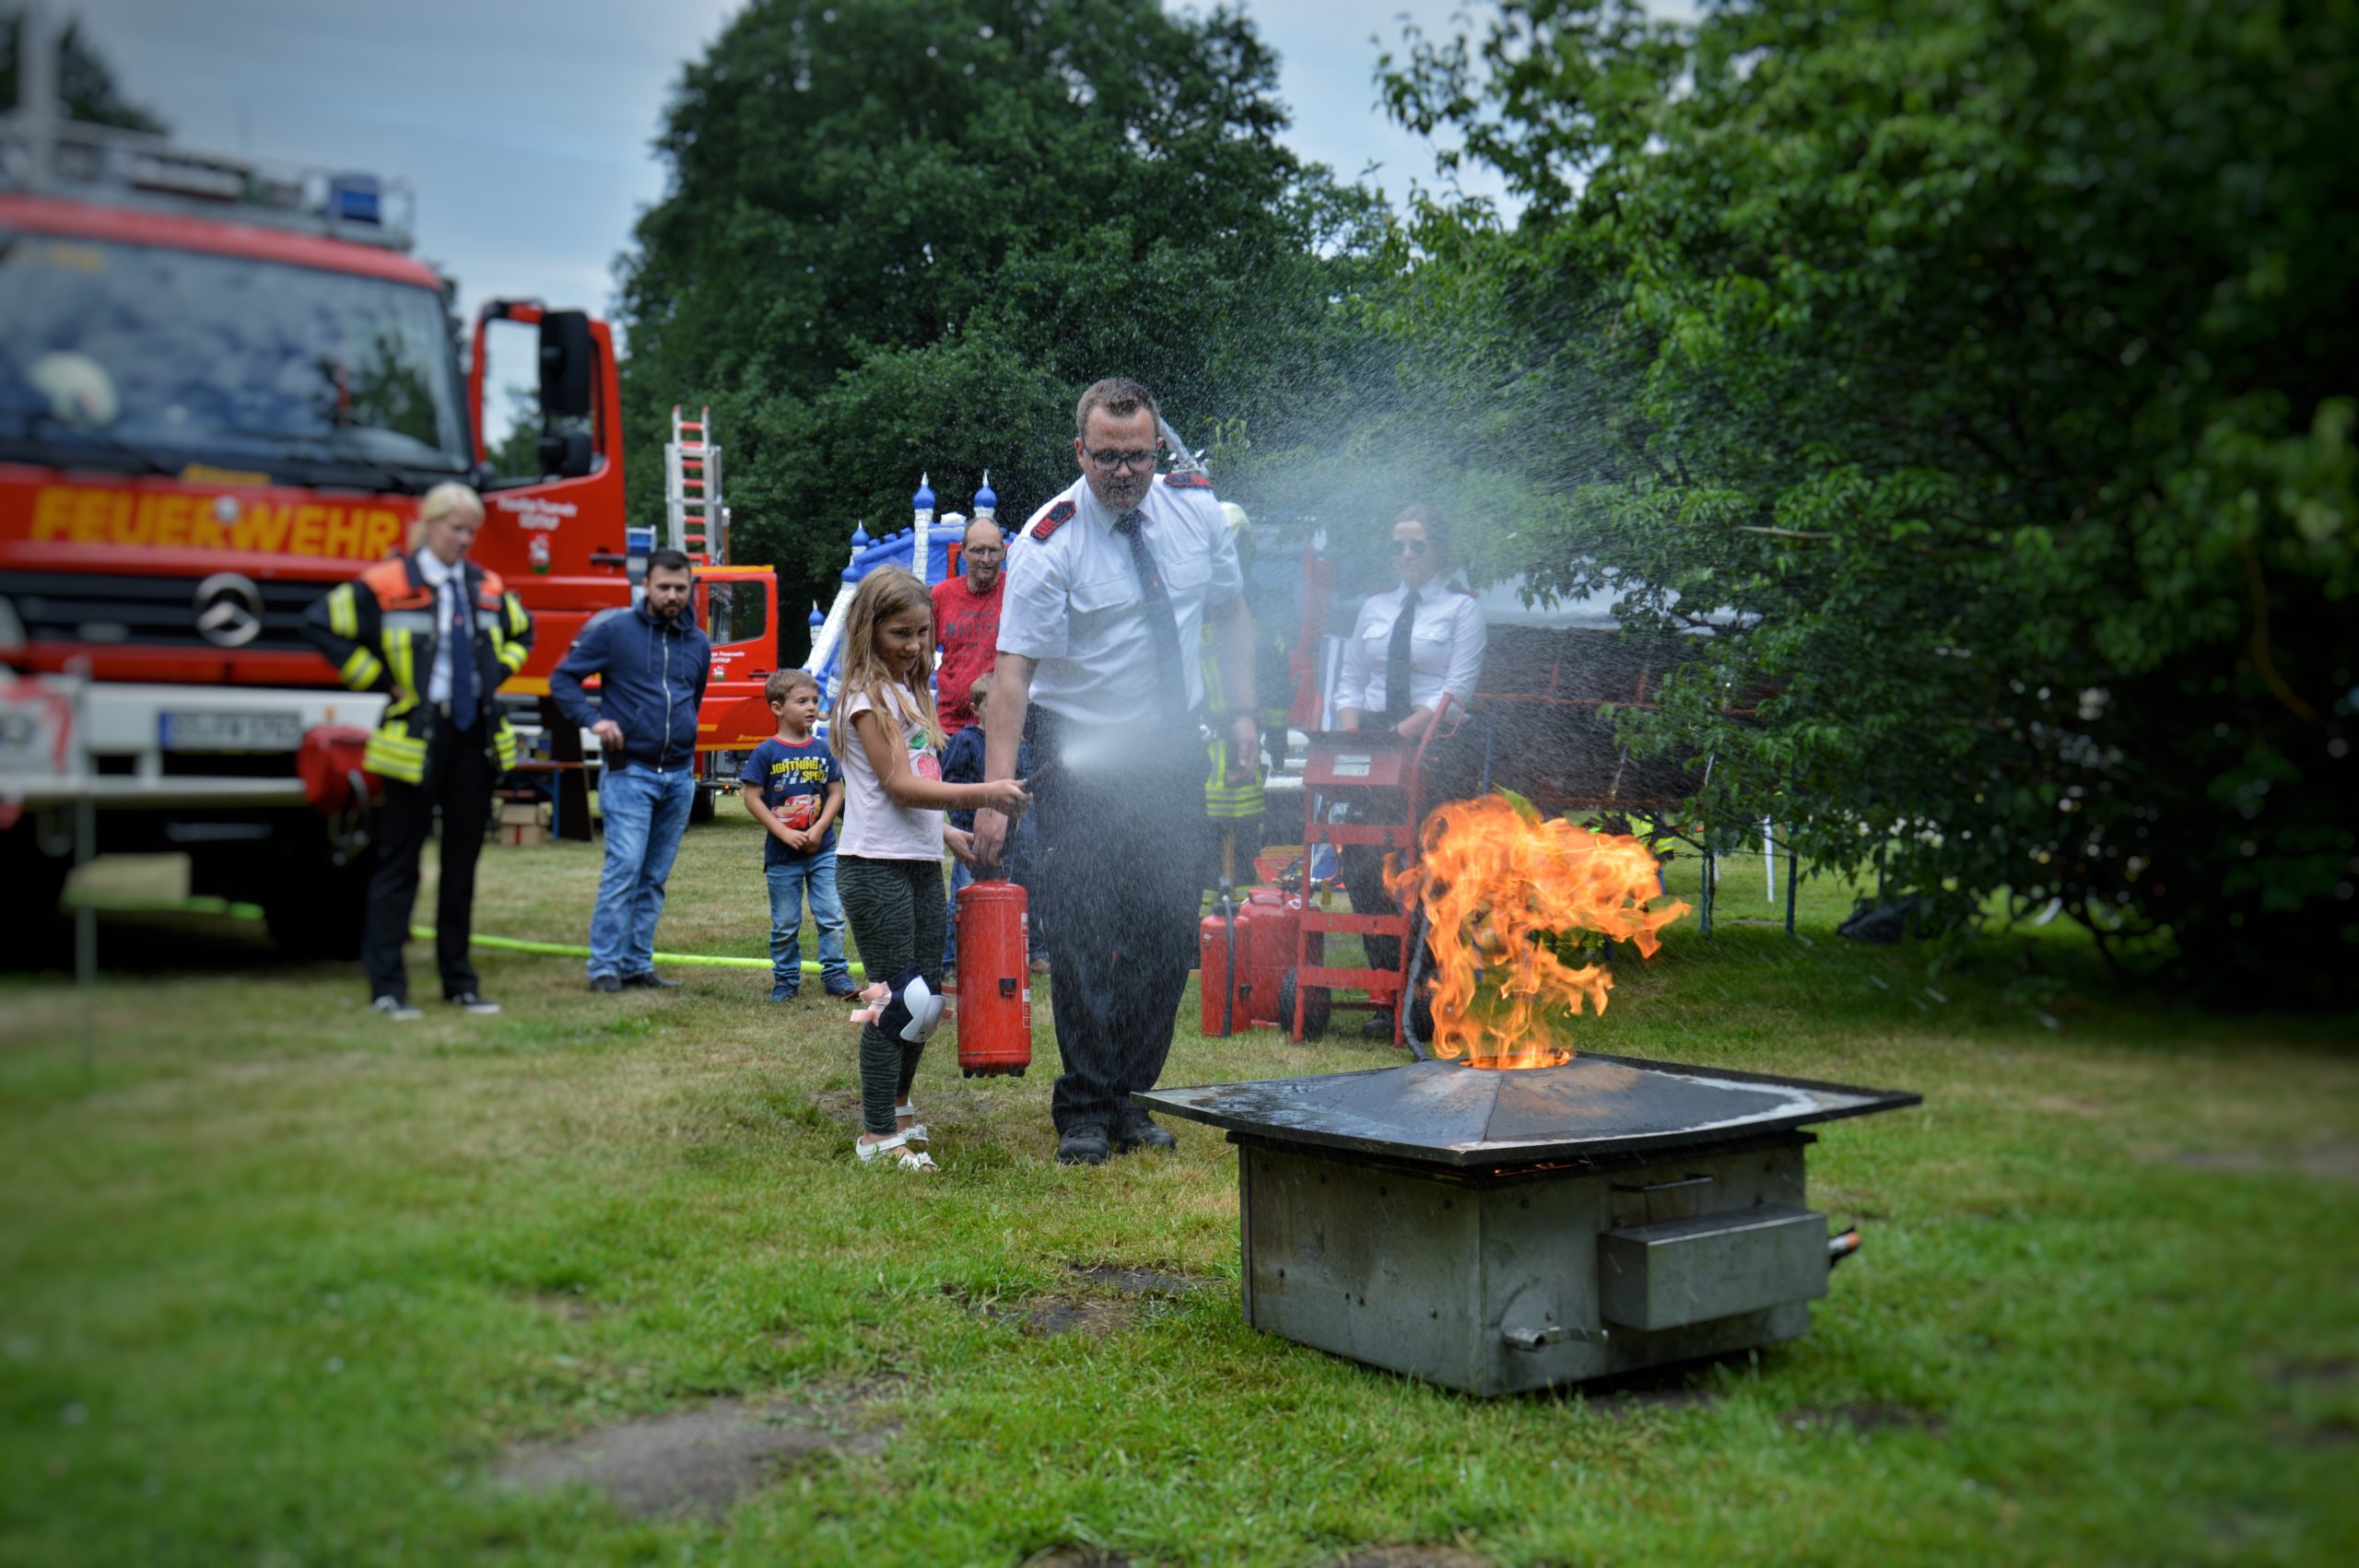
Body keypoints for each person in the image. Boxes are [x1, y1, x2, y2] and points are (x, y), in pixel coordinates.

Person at [975, 376, 1259, 1166]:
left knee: (1167, 935)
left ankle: (1135, 1099)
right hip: (1083, 758)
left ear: (1157, 447)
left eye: (1136, 456)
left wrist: (1243, 714)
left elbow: (1233, 613)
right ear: (1081, 452)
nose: (1122, 472)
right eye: (1106, 458)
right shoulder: (1048, 541)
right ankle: (1087, 1111)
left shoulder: (1197, 515)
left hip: (1172, 753)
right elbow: (1012, 677)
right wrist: (998, 795)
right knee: (1087, 936)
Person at [303, 482, 533, 1020]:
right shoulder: (386, 581)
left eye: (471, 530)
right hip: (413, 741)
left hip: (474, 740)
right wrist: (379, 679)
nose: (465, 540)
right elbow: (320, 622)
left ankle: (460, 982)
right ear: (429, 525)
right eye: (456, 528)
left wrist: (496, 671)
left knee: (462, 867)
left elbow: (525, 632)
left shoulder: (487, 585)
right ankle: (388, 988)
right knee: (398, 864)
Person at [832, 567, 1030, 1172]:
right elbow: (897, 786)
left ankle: (899, 1107)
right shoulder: (866, 699)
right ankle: (874, 1135)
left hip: (918, 862)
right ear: (869, 631)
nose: (915, 646)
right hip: (873, 867)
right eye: (900, 633)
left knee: (929, 1004)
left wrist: (950, 837)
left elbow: (909, 792)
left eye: (923, 632)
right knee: (900, 1001)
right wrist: (984, 793)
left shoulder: (907, 695)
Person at [1334, 505, 1488, 1034]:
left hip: (1435, 745)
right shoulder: (1375, 608)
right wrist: (1352, 735)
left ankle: (1431, 989)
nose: (1405, 555)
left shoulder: (1462, 610)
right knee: (1359, 858)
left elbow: (1457, 692)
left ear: (1439, 549)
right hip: (1372, 744)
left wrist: (1396, 739)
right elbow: (1351, 681)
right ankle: (1385, 986)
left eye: (1416, 545)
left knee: (1429, 870)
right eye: (1397, 545)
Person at [549, 547, 711, 993]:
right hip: (629, 773)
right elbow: (562, 680)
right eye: (665, 587)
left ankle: (638, 963)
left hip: (678, 777)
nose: (673, 595)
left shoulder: (698, 642)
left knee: (654, 877)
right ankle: (604, 966)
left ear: (690, 587)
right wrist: (593, 721)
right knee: (624, 869)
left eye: (681, 588)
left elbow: (690, 700)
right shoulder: (615, 631)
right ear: (647, 585)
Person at [739, 668, 854, 1003]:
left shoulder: (823, 749)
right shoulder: (766, 752)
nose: (810, 707)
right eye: (801, 701)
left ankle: (835, 974)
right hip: (782, 855)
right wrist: (782, 832)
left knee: (831, 915)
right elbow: (751, 796)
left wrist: (820, 828)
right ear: (777, 708)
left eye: (814, 701)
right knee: (785, 923)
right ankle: (786, 979)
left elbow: (836, 792)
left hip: (822, 851)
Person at [941, 672, 1048, 971]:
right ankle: (953, 958)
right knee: (967, 892)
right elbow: (950, 786)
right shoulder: (965, 741)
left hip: (1023, 840)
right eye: (993, 704)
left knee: (1029, 890)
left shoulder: (1026, 746)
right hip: (976, 837)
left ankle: (1031, 951)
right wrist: (971, 817)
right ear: (976, 708)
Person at [931, 515, 1007, 734]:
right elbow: (921, 658)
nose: (986, 559)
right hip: (948, 726)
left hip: (1000, 724)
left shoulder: (1015, 590)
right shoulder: (942, 595)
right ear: (962, 551)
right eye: (977, 550)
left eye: (993, 551)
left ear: (1003, 552)